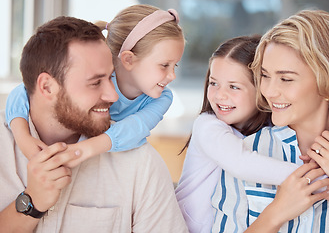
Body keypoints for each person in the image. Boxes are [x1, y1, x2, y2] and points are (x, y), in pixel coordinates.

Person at [0, 16, 188, 232]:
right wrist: (32, 202)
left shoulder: (141, 164)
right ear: (47, 87)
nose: (113, 95)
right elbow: (21, 92)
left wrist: (81, 151)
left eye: (111, 77)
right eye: (95, 82)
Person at [211, 9, 329, 232]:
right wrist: (276, 212)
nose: (269, 91)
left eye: (286, 79)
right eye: (265, 75)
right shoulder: (245, 153)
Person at [5, 4, 185, 167]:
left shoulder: (163, 98)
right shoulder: (103, 76)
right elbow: (25, 90)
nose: (172, 75)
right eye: (164, 65)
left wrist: (81, 150)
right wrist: (23, 138)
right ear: (128, 59)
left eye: (174, 65)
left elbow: (135, 128)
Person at [176, 35, 302, 233]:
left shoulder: (271, 131)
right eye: (213, 83)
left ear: (262, 91)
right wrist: (314, 180)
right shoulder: (207, 126)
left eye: (234, 86)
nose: (219, 95)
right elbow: (241, 162)